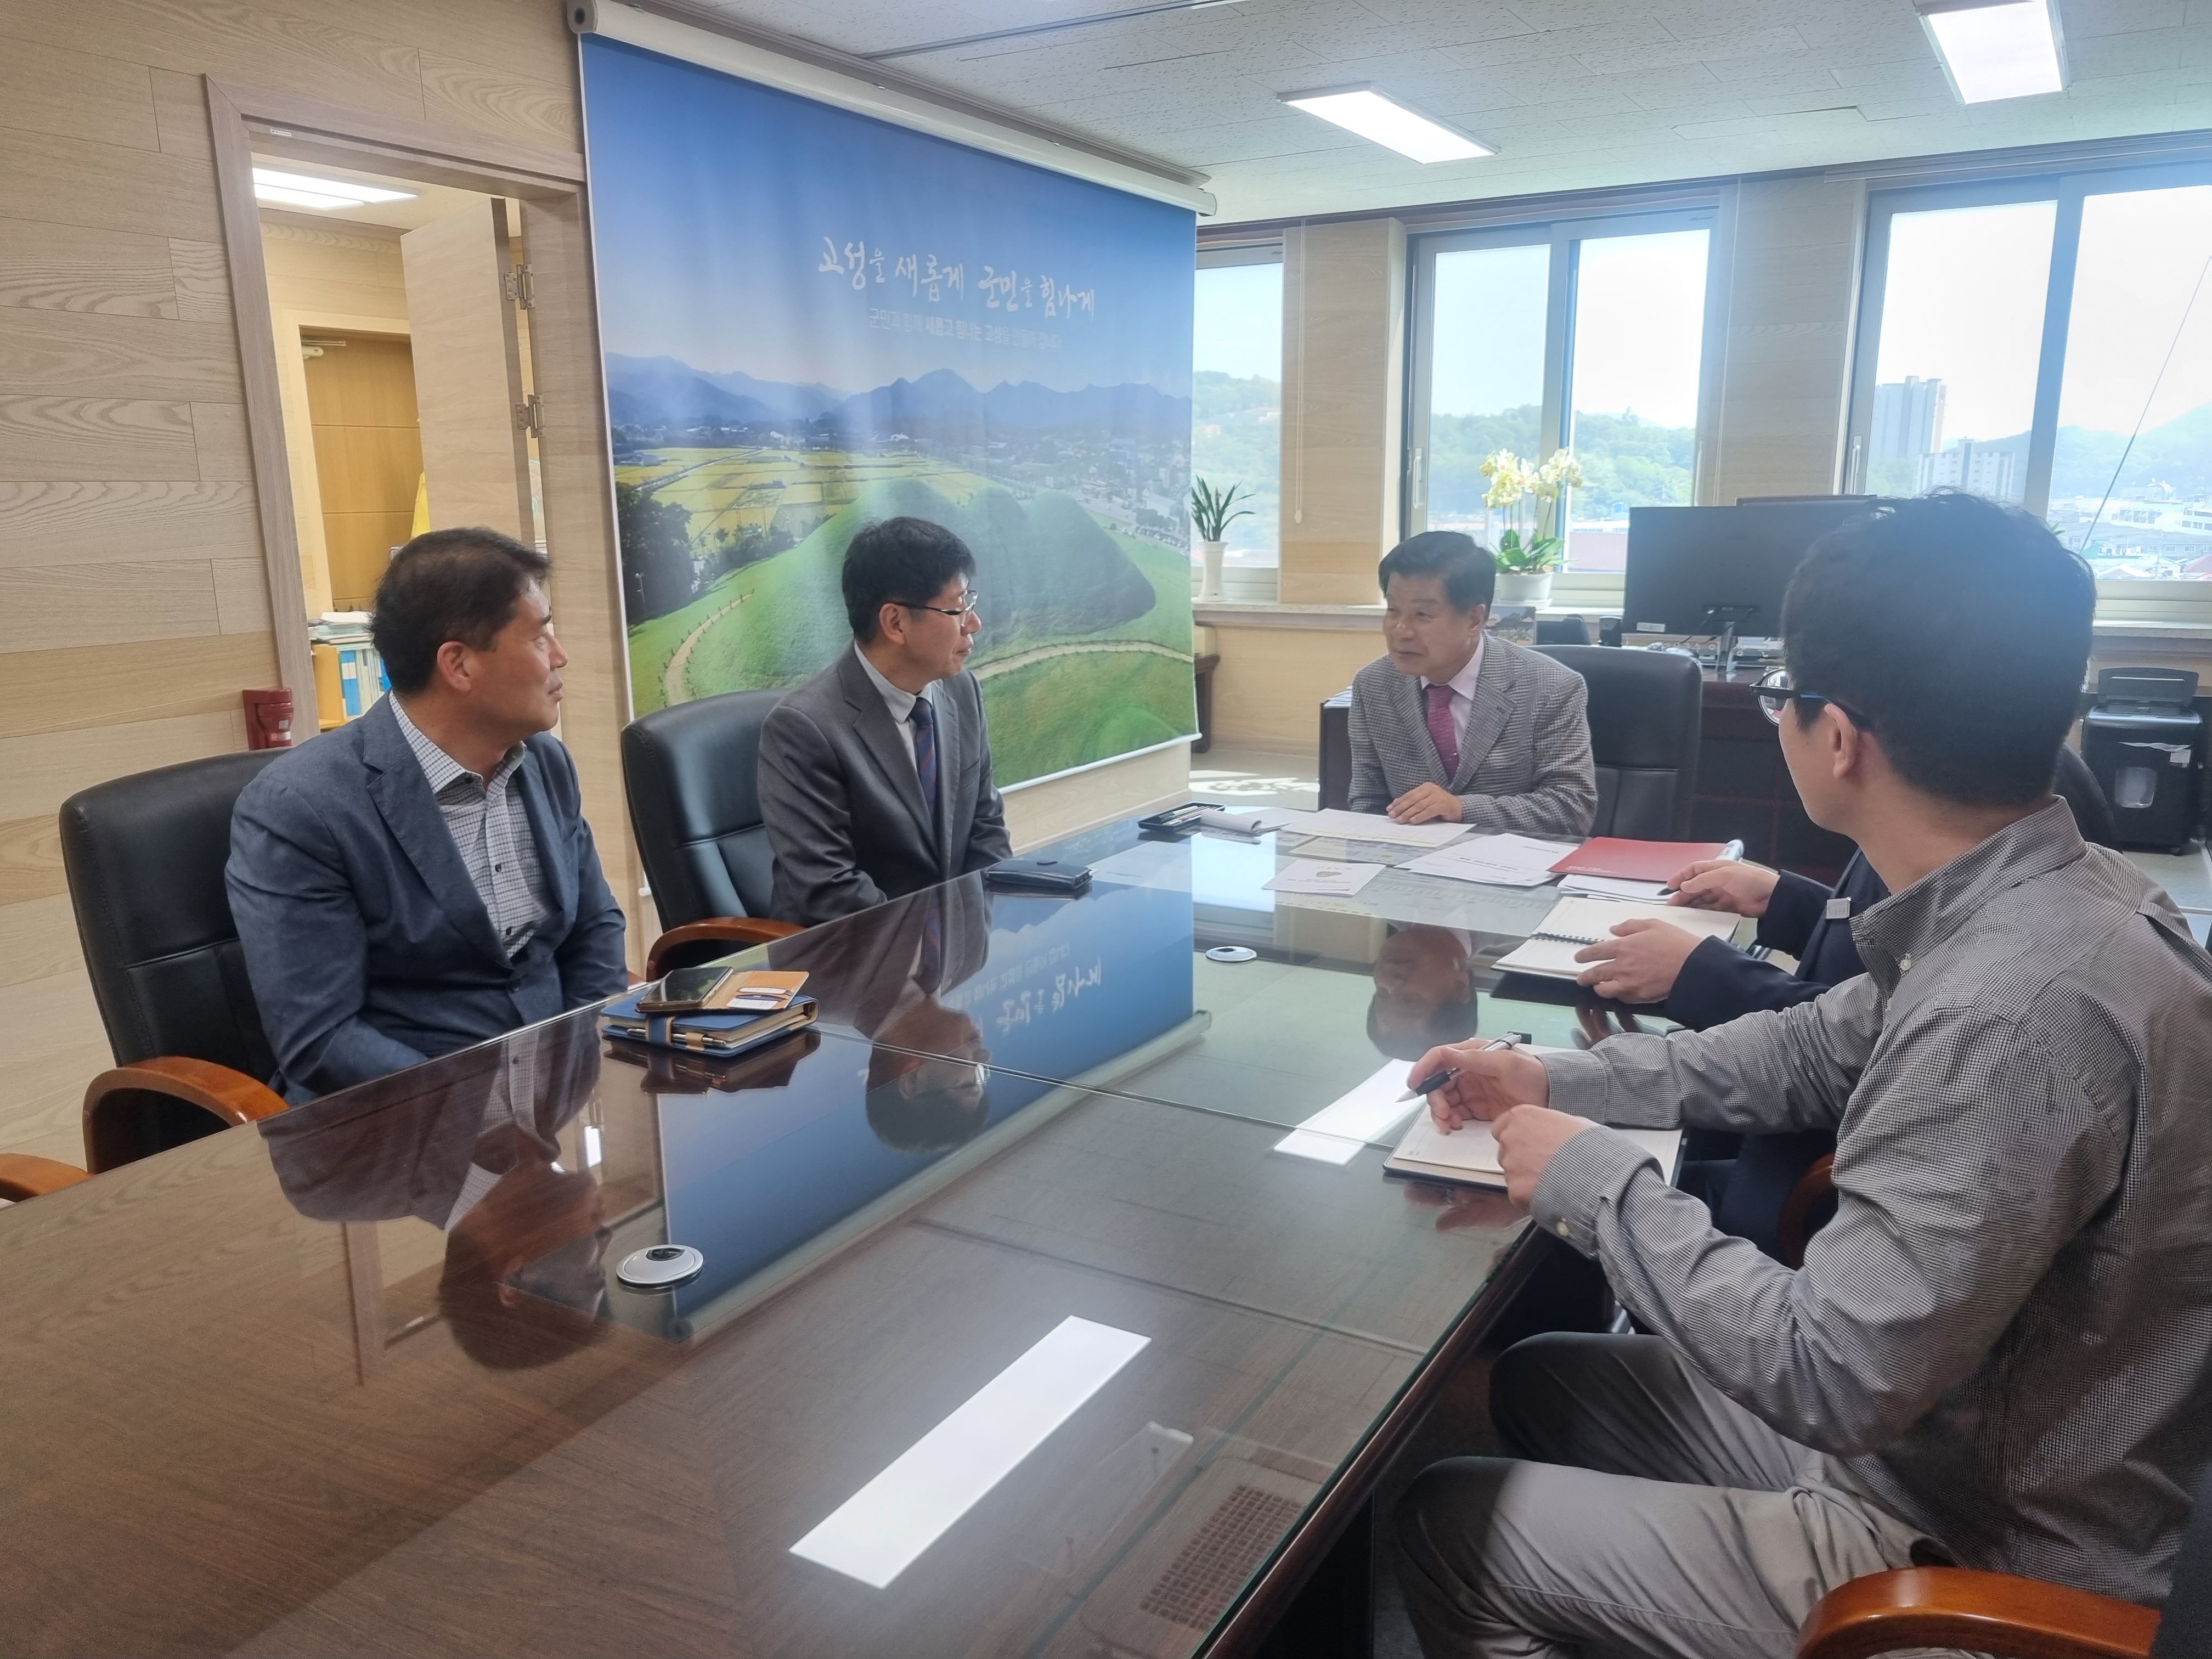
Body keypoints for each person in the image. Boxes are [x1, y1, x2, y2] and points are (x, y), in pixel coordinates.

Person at [1395, 492, 2212, 1657]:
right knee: (1540, 1383)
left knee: (1447, 1524)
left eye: (1784, 693)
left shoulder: (2005, 1012)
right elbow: (1812, 1044)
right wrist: (1556, 1082)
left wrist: (1594, 1179)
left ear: (1839, 740)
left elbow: (1829, 1369)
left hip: (1968, 1540)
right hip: (1943, 1431)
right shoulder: (2049, 896)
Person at [228, 528, 629, 1104]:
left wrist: (579, 1059)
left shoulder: (546, 763)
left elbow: (594, 928)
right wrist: (487, 1105)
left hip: (552, 1097)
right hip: (399, 1116)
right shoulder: (301, 807)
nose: (560, 655)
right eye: (540, 636)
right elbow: (320, 1038)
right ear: (459, 665)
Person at [758, 516, 1012, 926]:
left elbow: (986, 830)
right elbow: (831, 891)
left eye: (970, 602)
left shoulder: (962, 691)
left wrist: (977, 934)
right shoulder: (803, 728)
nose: (974, 623)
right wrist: (934, 944)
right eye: (957, 608)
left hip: (953, 950)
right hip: (851, 952)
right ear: (895, 623)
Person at [1347, 531, 1595, 836]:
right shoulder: (1374, 685)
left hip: (1512, 859)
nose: (1401, 631)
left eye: (1422, 614)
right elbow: (1367, 802)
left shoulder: (1551, 687)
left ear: (1474, 619)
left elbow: (1572, 808)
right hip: (1408, 858)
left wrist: (1462, 809)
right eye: (1392, 610)